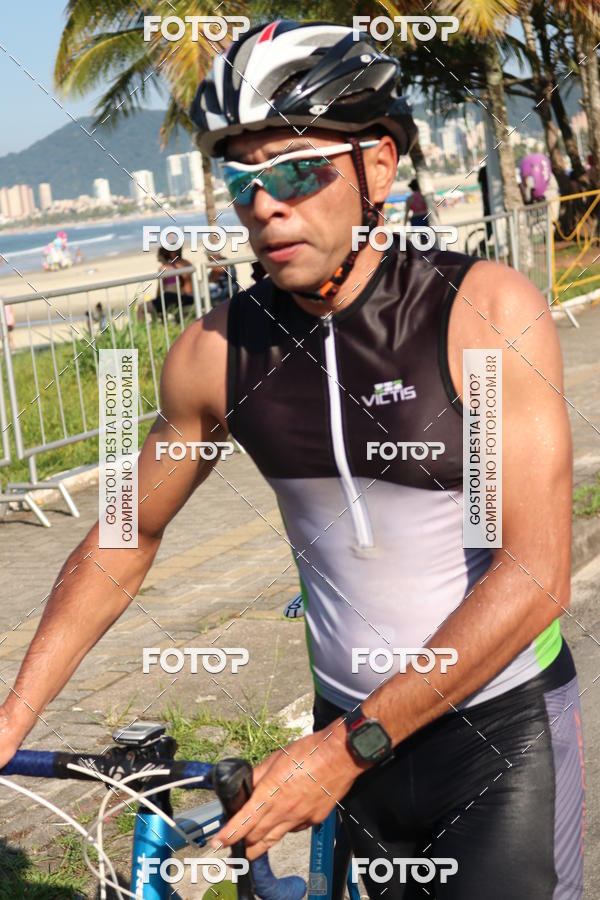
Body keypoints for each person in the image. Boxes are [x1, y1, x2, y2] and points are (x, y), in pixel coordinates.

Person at [0, 21, 583, 899]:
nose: (266, 205)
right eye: (243, 181)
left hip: (496, 736)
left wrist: (343, 752)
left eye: (297, 172)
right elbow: (125, 534)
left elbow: (533, 574)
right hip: (347, 740)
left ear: (376, 167)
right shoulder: (213, 354)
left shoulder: (481, 315)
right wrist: (16, 710)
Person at [154, 246, 195, 315]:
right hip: (188, 296)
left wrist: (157, 299)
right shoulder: (186, 263)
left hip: (183, 297)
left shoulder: (170, 267)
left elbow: (160, 288)